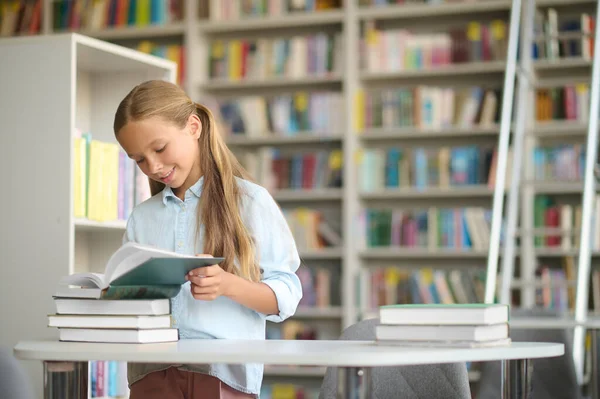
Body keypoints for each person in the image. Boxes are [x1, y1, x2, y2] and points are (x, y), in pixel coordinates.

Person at [114, 80, 303, 398]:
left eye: (159, 149)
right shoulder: (142, 218)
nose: (153, 166)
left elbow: (287, 295)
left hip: (224, 375)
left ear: (193, 126)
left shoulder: (250, 202)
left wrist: (228, 285)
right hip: (151, 373)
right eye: (139, 160)